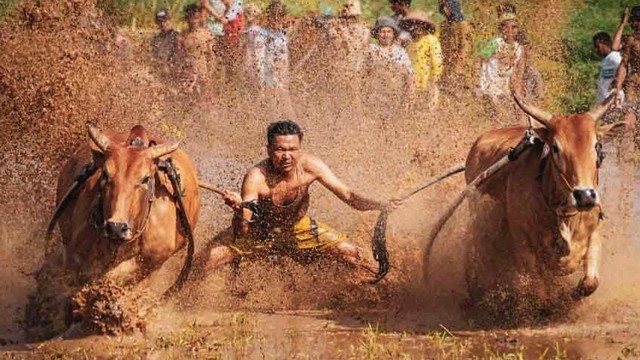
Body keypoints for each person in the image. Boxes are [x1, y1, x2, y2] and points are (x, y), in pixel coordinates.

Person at [206, 120, 401, 270]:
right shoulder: (256, 177)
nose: (286, 156)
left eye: (292, 150)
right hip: (260, 230)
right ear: (269, 150)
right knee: (207, 260)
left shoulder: (311, 166)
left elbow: (349, 196)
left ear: (300, 149)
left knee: (350, 253)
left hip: (298, 227)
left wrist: (380, 205)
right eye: (280, 150)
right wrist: (239, 209)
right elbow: (242, 230)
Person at [362, 17, 415, 130]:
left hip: (395, 97)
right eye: (382, 32)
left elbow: (409, 75)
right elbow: (362, 74)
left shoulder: (400, 52)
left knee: (393, 127)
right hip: (374, 97)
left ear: (393, 34)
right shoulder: (371, 50)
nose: (385, 35)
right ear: (377, 34)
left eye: (388, 31)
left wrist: (409, 96)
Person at [477, 10, 526, 124]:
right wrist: (476, 82)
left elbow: (519, 71)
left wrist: (518, 90)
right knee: (498, 113)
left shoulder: (519, 48)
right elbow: (480, 59)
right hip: (489, 84)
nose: (510, 30)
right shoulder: (495, 43)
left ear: (518, 29)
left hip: (504, 86)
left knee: (513, 113)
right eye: (506, 27)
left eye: (514, 27)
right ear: (501, 29)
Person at [400, 11, 443, 108]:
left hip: (429, 83)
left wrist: (434, 80)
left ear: (425, 26)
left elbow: (437, 62)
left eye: (419, 25)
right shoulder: (410, 44)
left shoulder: (431, 40)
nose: (415, 27)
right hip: (412, 85)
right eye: (412, 24)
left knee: (428, 112)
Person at [178, 4, 218, 99]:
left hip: (203, 74)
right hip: (188, 75)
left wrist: (209, 75)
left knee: (204, 103)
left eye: (196, 17)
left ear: (199, 17)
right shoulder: (182, 36)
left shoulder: (207, 35)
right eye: (191, 17)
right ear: (186, 18)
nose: (194, 20)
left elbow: (212, 57)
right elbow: (179, 56)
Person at [614, 6, 640, 149]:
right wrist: (618, 89)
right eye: (633, 21)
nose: (635, 24)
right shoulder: (631, 40)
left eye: (638, 21)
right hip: (633, 89)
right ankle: (623, 167)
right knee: (627, 125)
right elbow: (624, 65)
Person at [438, 0, 473, 90]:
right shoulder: (443, 25)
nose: (444, 10)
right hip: (446, 65)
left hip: (460, 68)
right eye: (442, 7)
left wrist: (457, 69)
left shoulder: (463, 25)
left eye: (446, 6)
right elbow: (442, 46)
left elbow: (465, 49)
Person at [593, 32, 622, 104]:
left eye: (597, 46)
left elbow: (624, 71)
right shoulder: (606, 59)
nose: (596, 50)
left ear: (604, 43)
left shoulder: (614, 57)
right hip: (604, 103)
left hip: (612, 102)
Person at [151, 9, 180, 80]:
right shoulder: (155, 39)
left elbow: (180, 57)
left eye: (165, 20)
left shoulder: (177, 37)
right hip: (159, 74)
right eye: (160, 21)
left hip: (175, 74)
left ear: (170, 20)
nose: (163, 24)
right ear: (156, 23)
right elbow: (153, 57)